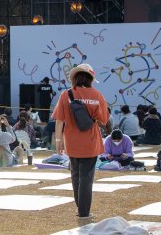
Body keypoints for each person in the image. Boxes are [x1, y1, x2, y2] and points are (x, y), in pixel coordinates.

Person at [52, 63, 109, 219]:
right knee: (86, 177)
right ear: (90, 79)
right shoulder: (97, 95)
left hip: (71, 141)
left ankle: (80, 208)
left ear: (74, 78)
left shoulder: (66, 94)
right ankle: (84, 212)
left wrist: (58, 140)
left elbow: (59, 120)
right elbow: (103, 119)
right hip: (90, 141)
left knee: (75, 175)